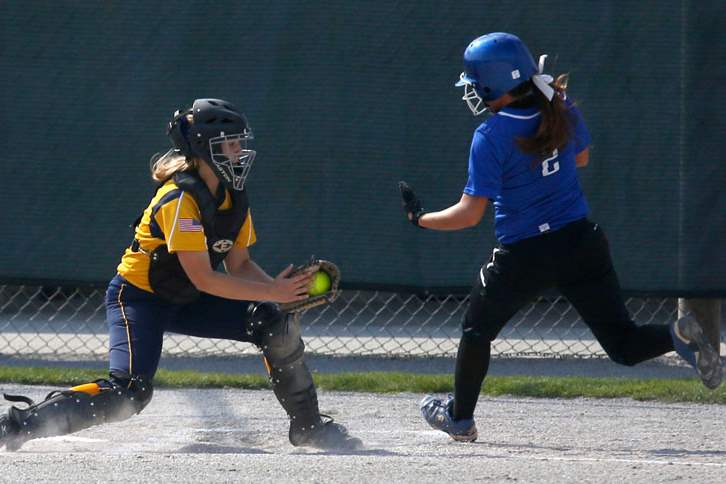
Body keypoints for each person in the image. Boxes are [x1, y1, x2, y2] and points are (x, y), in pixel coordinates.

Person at [399, 33, 722, 443]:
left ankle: (459, 419)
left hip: (525, 254)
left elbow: (469, 215)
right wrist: (549, 118)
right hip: (581, 242)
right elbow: (581, 157)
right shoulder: (558, 105)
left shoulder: (491, 134)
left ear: (491, 86)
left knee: (477, 331)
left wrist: (421, 219)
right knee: (623, 345)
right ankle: (675, 334)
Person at [0, 98, 360, 451]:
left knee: (272, 321)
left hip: (188, 297)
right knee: (129, 392)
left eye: (239, 143)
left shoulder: (233, 197)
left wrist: (278, 292)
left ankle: (309, 427)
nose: (240, 151)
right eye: (230, 144)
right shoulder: (179, 199)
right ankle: (17, 425)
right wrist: (275, 293)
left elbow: (239, 265)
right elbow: (205, 277)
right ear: (204, 149)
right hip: (141, 297)